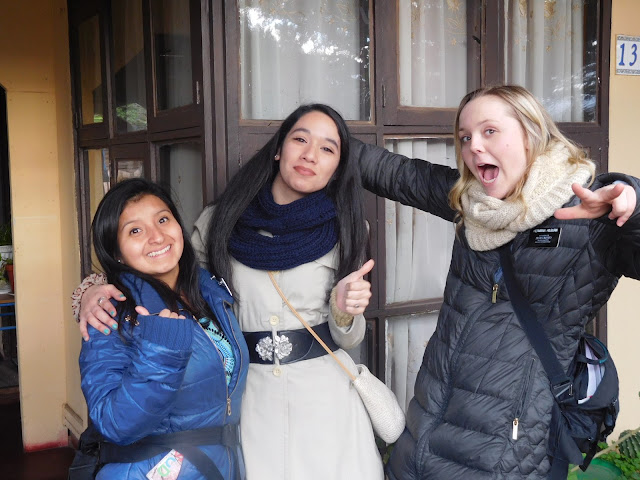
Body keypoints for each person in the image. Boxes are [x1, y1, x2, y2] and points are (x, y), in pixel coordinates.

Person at [72, 104, 385, 479]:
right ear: (278, 149)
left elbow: (348, 338)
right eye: (300, 139)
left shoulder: (350, 228)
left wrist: (344, 312)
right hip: (251, 398)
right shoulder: (221, 220)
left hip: (324, 398)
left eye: (327, 148)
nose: (310, 155)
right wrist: (92, 289)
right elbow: (172, 274)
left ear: (337, 166)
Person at [348, 84, 639, 479]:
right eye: (465, 137)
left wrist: (634, 210)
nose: (473, 147)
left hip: (505, 455)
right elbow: (396, 174)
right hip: (423, 435)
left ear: (531, 134)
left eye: (489, 131)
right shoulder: (472, 202)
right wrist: (321, 139)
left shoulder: (588, 213)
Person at [78, 178, 249, 479]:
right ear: (116, 252)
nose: (156, 237)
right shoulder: (110, 314)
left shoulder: (210, 293)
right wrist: (161, 354)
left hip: (218, 465)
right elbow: (114, 424)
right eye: (135, 230)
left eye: (162, 220)